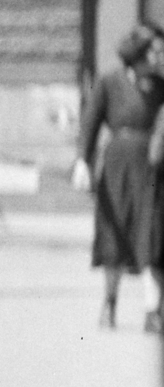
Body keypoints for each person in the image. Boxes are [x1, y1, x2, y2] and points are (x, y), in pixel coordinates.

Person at [73, 23, 164, 330]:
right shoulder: (109, 81)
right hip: (116, 166)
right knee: (113, 237)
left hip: (150, 167)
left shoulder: (161, 86)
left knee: (152, 236)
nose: (160, 56)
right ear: (139, 52)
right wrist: (83, 161)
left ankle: (153, 312)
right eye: (155, 50)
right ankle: (109, 304)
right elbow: (90, 122)